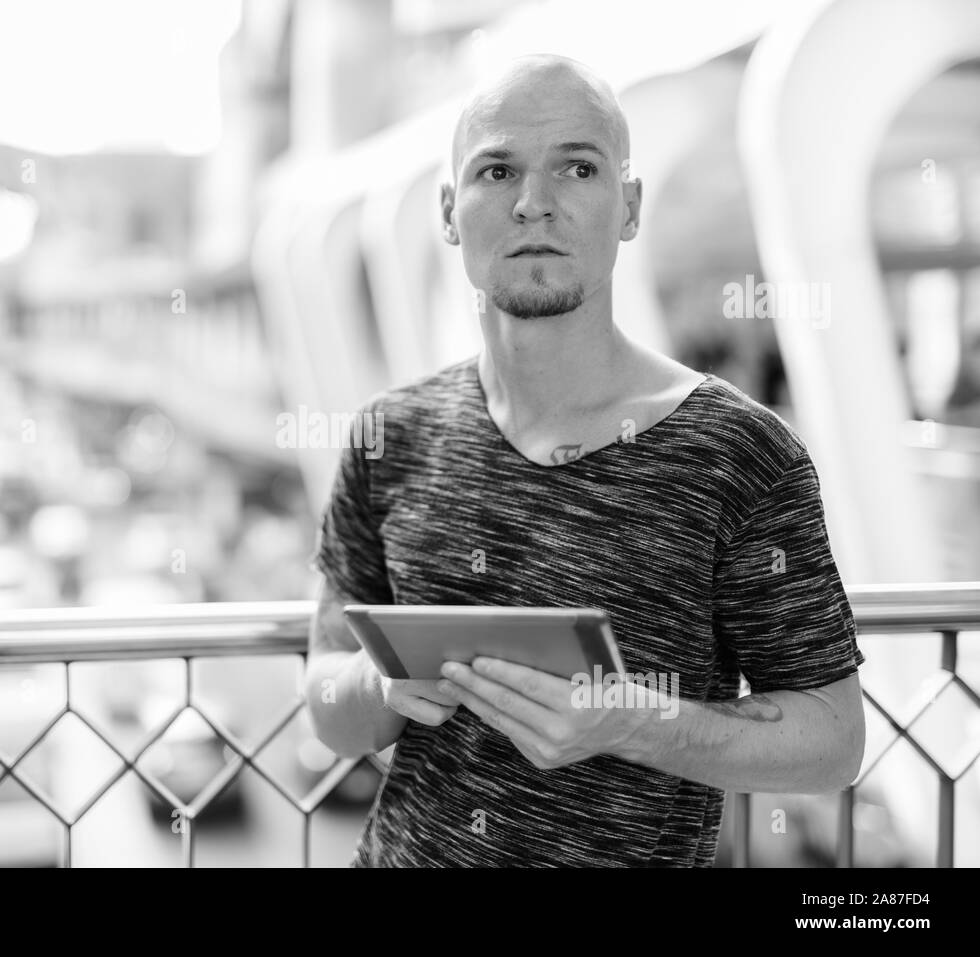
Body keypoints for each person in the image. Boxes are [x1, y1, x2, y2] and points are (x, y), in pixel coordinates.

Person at [303, 54, 866, 867]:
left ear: (628, 205)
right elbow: (324, 700)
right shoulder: (389, 435)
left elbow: (833, 739)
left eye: (578, 166)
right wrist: (379, 687)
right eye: (497, 170)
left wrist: (630, 721)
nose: (535, 202)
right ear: (450, 211)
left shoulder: (739, 453)